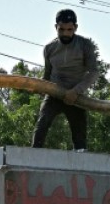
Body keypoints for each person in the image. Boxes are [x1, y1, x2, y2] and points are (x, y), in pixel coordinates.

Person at [31, 9, 100, 152]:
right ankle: (33, 156)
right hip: (54, 93)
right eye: (61, 29)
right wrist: (41, 89)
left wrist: (76, 91)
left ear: (75, 28)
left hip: (76, 96)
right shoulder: (49, 48)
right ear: (56, 27)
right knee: (41, 125)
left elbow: (93, 72)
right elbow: (48, 73)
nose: (65, 33)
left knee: (79, 135)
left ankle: (81, 160)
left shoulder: (85, 45)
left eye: (69, 29)